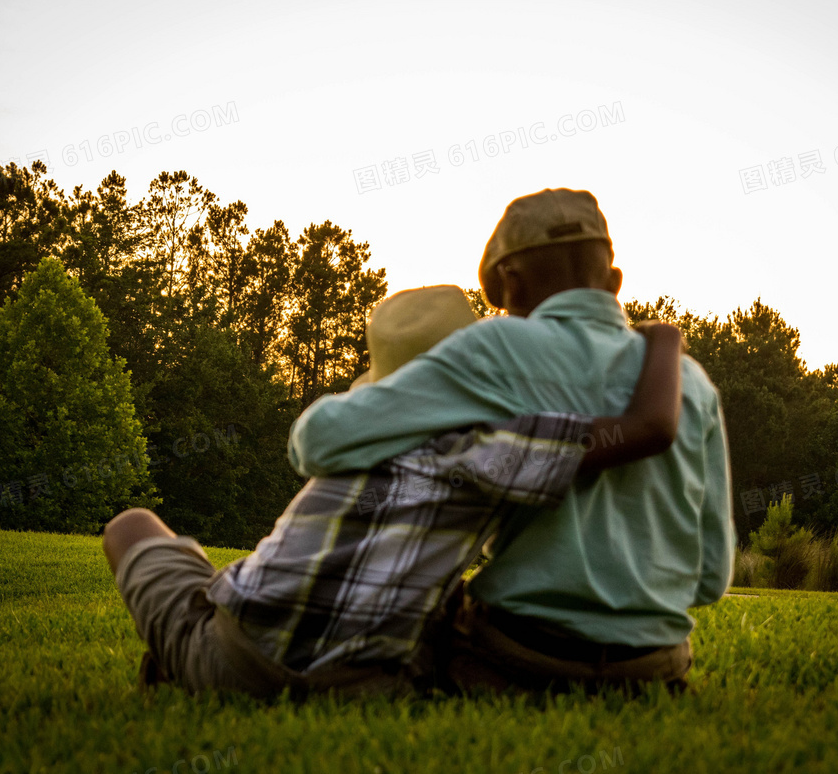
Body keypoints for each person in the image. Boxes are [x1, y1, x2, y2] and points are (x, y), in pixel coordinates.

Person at [102, 284, 685, 700]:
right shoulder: (494, 446)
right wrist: (663, 339)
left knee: (130, 526)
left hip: (232, 657)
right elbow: (650, 427)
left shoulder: (352, 439)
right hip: (364, 686)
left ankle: (183, 648)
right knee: (444, 600)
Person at [289, 188, 735, 695]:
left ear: (511, 281)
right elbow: (710, 577)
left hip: (515, 662)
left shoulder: (496, 347)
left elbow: (316, 441)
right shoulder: (691, 383)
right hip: (654, 671)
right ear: (613, 282)